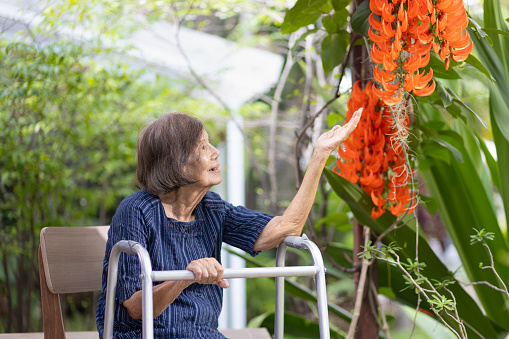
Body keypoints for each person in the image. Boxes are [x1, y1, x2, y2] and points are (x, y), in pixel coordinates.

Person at [96, 110, 362, 339]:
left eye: (210, 144)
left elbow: (287, 229)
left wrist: (320, 154)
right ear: (174, 162)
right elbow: (134, 307)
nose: (215, 152)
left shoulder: (212, 208)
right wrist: (185, 278)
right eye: (202, 147)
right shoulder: (136, 211)